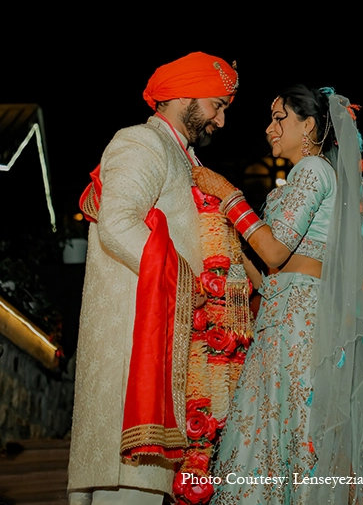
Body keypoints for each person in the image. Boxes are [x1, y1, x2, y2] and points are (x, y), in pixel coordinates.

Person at [192, 85, 363, 505]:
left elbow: (275, 251)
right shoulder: (297, 180)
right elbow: (271, 275)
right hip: (281, 318)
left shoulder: (313, 170)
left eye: (279, 118)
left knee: (301, 429)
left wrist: (229, 197)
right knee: (277, 430)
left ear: (308, 126)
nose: (269, 129)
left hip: (302, 324)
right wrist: (228, 240)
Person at [67, 51, 239, 505]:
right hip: (137, 346)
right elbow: (118, 223)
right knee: (130, 489)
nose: (221, 120)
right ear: (183, 96)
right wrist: (193, 287)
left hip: (174, 345)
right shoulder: (141, 141)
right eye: (217, 105)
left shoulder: (184, 156)